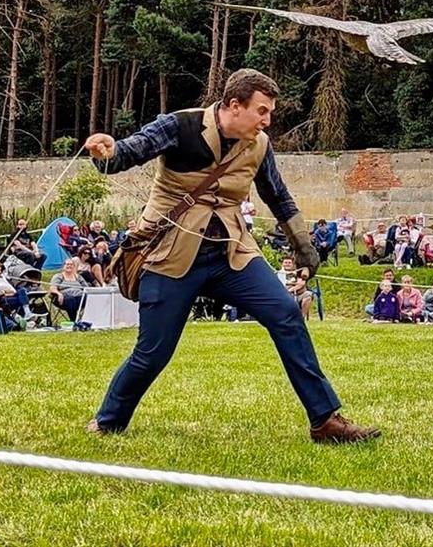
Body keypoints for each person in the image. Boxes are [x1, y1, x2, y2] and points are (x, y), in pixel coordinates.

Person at [83, 68, 377, 443]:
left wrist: (304, 245)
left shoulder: (260, 144)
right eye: (262, 111)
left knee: (286, 314)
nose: (267, 120)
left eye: (269, 112)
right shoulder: (180, 125)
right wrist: (107, 151)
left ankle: (325, 420)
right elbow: (129, 152)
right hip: (172, 256)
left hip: (232, 256)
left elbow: (278, 196)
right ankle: (110, 419)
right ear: (234, 106)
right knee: (153, 352)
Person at [50, 258, 91, 322]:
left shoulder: (78, 277)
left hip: (79, 297)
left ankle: (88, 319)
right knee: (70, 299)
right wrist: (59, 294)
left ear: (74, 267)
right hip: (63, 299)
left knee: (88, 298)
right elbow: (53, 288)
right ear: (63, 266)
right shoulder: (58, 276)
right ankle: (74, 321)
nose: (69, 266)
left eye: (71, 264)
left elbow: (87, 288)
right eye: (67, 264)